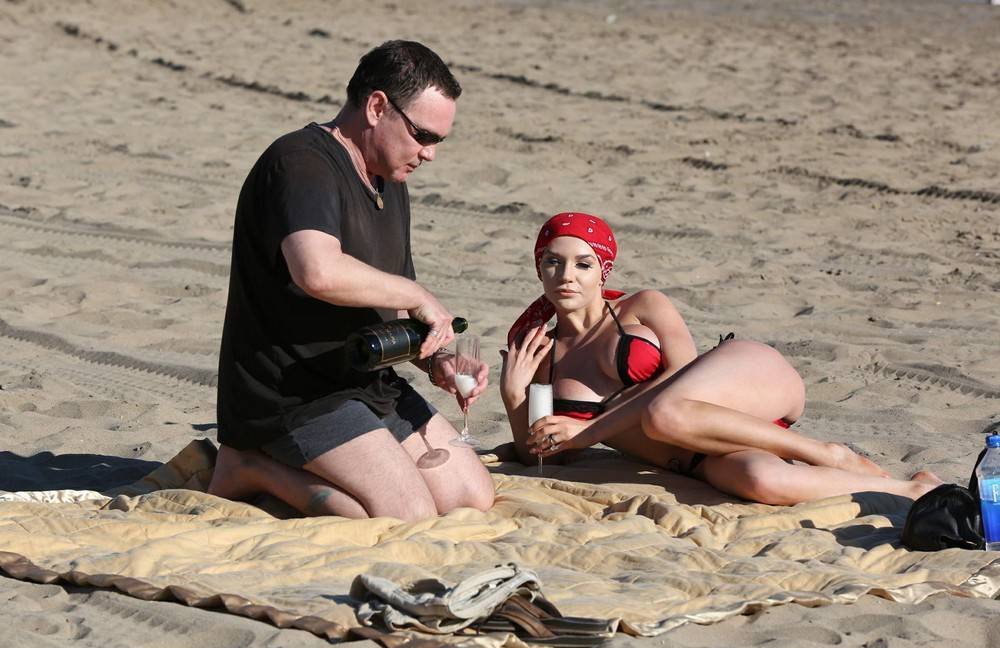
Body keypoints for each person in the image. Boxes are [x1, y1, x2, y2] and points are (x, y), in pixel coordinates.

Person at [209, 40, 495, 520]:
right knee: (405, 516)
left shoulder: (389, 179)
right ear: (377, 106)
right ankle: (250, 464)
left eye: (438, 141)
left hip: (367, 379)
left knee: (471, 497)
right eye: (423, 135)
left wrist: (438, 360)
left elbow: (392, 307)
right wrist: (416, 293)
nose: (429, 154)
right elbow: (317, 271)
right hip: (293, 396)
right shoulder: (300, 162)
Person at [500, 212, 943, 504]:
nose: (567, 276)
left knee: (664, 413)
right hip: (695, 457)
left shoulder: (643, 306)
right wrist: (514, 395)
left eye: (583, 264)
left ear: (603, 271)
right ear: (539, 268)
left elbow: (685, 377)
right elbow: (544, 458)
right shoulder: (543, 354)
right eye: (553, 263)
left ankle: (830, 454)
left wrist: (590, 430)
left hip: (745, 381)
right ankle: (910, 489)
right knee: (764, 482)